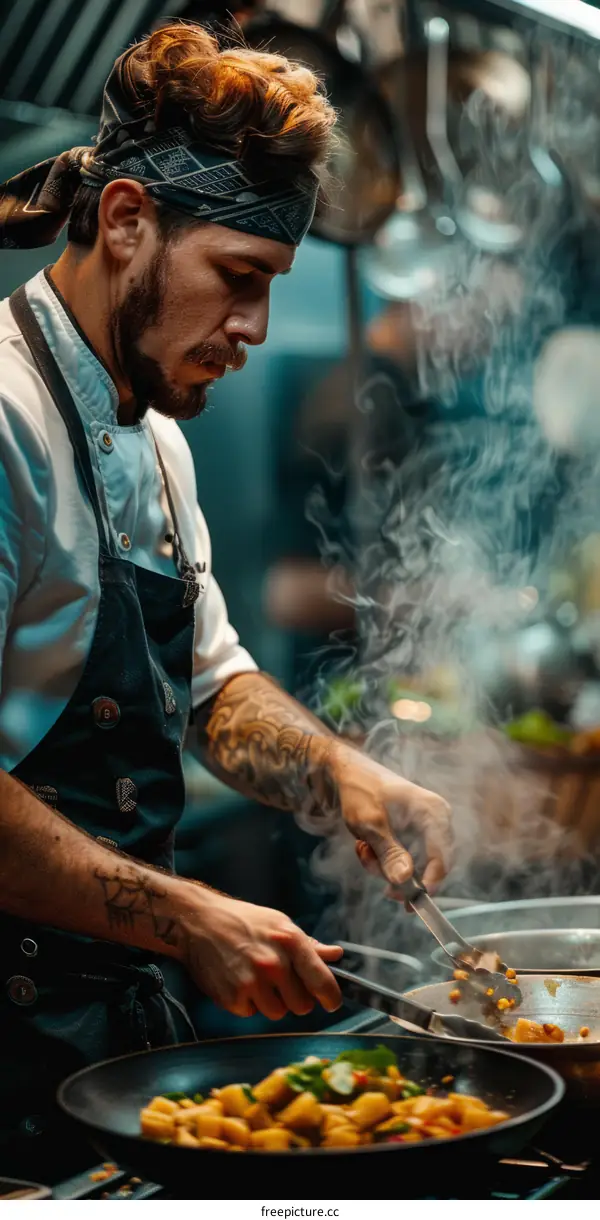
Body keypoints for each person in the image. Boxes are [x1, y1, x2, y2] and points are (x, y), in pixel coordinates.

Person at [0, 21, 452, 1177]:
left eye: (269, 287)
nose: (253, 330)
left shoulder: (152, 430)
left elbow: (213, 683)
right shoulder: (4, 417)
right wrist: (192, 914)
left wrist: (338, 769)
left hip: (94, 1034)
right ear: (126, 221)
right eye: (238, 280)